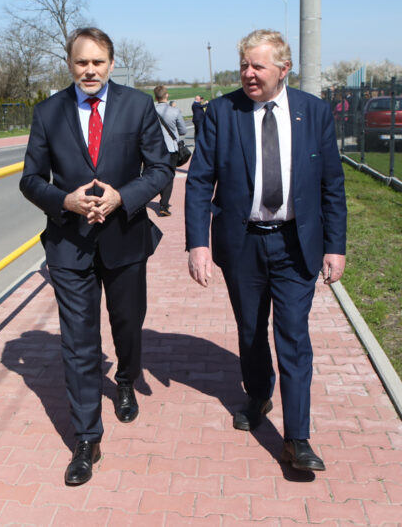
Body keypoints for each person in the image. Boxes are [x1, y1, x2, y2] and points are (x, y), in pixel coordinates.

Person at [185, 29, 347, 472]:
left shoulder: (314, 112)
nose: (249, 74)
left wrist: (335, 246)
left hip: (296, 243)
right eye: (244, 65)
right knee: (252, 330)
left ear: (284, 68)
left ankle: (297, 438)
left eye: (258, 66)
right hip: (243, 243)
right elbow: (199, 182)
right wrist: (198, 243)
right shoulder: (221, 113)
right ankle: (258, 394)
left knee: (293, 335)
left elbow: (332, 185)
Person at [19, 27, 172, 486]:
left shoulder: (137, 106)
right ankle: (86, 437)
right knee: (78, 342)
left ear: (111, 64)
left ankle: (125, 379)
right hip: (70, 245)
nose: (89, 70)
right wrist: (63, 200)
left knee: (127, 323)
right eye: (81, 62)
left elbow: (161, 168)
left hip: (125, 238)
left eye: (98, 62)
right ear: (70, 64)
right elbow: (30, 179)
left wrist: (124, 197)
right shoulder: (48, 112)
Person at [154, 85, 187, 217]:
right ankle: (164, 205)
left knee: (159, 174)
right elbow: (183, 130)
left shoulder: (151, 111)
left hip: (155, 148)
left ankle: (163, 199)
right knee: (169, 175)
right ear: (166, 95)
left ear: (156, 97)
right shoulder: (175, 111)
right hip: (171, 148)